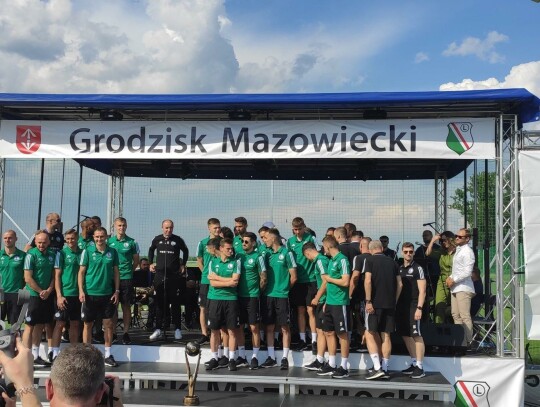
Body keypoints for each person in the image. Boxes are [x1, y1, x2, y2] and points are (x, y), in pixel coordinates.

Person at [78, 227, 120, 367]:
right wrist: (81, 291)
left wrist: (117, 291)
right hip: (90, 293)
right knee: (88, 324)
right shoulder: (87, 251)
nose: (99, 239)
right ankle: (87, 355)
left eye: (102, 236)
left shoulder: (112, 252)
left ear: (106, 237)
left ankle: (108, 355)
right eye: (97, 237)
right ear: (94, 237)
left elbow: (116, 273)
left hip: (107, 294)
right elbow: (81, 273)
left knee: (108, 325)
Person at [364, 240, 402, 380]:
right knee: (386, 335)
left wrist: (368, 301)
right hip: (390, 304)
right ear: (381, 248)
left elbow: (367, 280)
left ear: (371, 249)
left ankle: (377, 367)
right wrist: (395, 300)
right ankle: (385, 368)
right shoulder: (392, 262)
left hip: (374, 304)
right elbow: (400, 284)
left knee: (369, 333)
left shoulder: (369, 260)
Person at [260, 228, 297, 370]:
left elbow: (294, 276)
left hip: (282, 295)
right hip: (268, 295)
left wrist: (285, 289)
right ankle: (271, 357)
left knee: (284, 327)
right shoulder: (266, 254)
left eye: (266, 238)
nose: (264, 241)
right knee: (269, 326)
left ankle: (284, 358)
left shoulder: (287, 253)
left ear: (274, 238)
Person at [148, 219, 189, 341]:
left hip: (174, 276)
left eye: (170, 228)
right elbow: (151, 250)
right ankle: (158, 329)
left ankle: (177, 329)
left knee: (175, 303)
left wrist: (183, 264)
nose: (168, 230)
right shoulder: (157, 239)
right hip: (160, 276)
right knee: (160, 304)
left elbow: (185, 251)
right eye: (166, 228)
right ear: (162, 228)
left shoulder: (178, 240)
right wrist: (150, 263)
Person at [317, 236, 351, 379]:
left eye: (324, 247)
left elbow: (345, 281)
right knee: (328, 332)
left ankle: (344, 366)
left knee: (342, 334)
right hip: (330, 302)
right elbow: (328, 284)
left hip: (340, 303)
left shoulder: (342, 259)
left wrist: (329, 279)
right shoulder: (331, 260)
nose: (324, 250)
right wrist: (325, 302)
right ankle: (331, 364)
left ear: (328, 246)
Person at [205, 238, 241, 371]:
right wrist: (227, 282)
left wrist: (217, 278)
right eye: (228, 249)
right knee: (214, 331)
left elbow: (235, 280)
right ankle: (214, 358)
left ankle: (231, 359)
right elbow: (212, 283)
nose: (231, 251)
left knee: (232, 330)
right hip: (215, 299)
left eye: (231, 248)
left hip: (231, 299)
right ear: (221, 249)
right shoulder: (213, 262)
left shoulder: (236, 261)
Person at [22, 230, 56, 367]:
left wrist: (49, 290)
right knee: (29, 326)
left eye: (44, 242)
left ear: (48, 242)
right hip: (33, 296)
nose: (41, 245)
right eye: (39, 242)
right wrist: (41, 291)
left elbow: (55, 275)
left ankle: (35, 355)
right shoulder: (31, 255)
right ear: (35, 242)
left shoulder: (53, 255)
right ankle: (26, 356)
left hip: (46, 295)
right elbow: (27, 277)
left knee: (40, 325)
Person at [287, 217, 319, 352]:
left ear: (304, 227)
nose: (297, 232)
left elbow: (318, 255)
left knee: (310, 310)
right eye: (295, 229)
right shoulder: (290, 241)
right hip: (298, 280)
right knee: (300, 310)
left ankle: (314, 340)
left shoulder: (311, 238)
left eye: (299, 229)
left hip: (311, 279)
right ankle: (302, 339)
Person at [235, 232, 267, 370]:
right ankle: (241, 356)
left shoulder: (258, 257)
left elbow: (264, 277)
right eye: (242, 241)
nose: (243, 244)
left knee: (254, 327)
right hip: (238, 297)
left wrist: (257, 292)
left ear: (254, 243)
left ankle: (254, 356)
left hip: (252, 296)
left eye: (247, 242)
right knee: (240, 326)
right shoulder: (238, 256)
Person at [50, 229, 82, 361]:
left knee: (75, 324)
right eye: (67, 239)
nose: (70, 241)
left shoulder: (83, 253)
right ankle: (54, 352)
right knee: (60, 323)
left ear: (77, 238)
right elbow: (57, 276)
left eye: (72, 238)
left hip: (78, 294)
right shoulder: (61, 253)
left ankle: (73, 352)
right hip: (65, 294)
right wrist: (59, 295)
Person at [108, 217, 140, 345]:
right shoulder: (109, 241)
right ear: (115, 226)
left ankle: (126, 333)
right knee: (113, 307)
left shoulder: (132, 242)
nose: (122, 228)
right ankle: (114, 333)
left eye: (124, 225)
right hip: (111, 278)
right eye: (119, 225)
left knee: (126, 306)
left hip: (126, 278)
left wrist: (129, 272)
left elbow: (136, 260)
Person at [397, 242, 427, 379]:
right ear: (402, 253)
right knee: (405, 334)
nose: (408, 254)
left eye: (410, 251)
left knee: (416, 335)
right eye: (406, 252)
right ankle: (414, 362)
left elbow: (423, 291)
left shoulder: (418, 268)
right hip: (402, 307)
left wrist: (419, 308)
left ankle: (420, 367)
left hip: (414, 306)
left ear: (414, 252)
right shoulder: (400, 268)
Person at [301, 242, 328, 372]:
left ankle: (327, 361)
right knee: (320, 331)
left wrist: (317, 297)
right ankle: (320, 359)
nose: (308, 259)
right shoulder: (319, 260)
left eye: (306, 257)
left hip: (324, 300)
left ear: (308, 253)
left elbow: (325, 281)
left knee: (324, 331)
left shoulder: (320, 261)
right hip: (322, 300)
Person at [446, 228, 475, 346]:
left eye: (460, 236)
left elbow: (468, 272)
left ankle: (468, 342)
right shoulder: (459, 250)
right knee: (455, 315)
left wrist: (454, 279)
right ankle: (460, 342)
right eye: (456, 235)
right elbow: (457, 269)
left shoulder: (468, 252)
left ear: (467, 239)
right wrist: (450, 277)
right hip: (456, 287)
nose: (456, 238)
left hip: (463, 287)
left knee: (464, 316)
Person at [196, 218, 221, 345]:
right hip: (206, 280)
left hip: (220, 280)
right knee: (203, 308)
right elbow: (199, 260)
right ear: (209, 228)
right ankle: (204, 333)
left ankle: (220, 335)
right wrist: (206, 273)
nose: (217, 230)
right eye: (215, 228)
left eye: (218, 227)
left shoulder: (223, 243)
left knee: (217, 308)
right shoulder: (202, 243)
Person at [426, 231, 456, 324]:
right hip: (442, 281)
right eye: (441, 241)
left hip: (455, 281)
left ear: (451, 240)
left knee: (454, 307)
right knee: (439, 305)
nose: (443, 242)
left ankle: (455, 329)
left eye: (445, 240)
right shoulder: (441, 251)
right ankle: (439, 328)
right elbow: (428, 253)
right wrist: (433, 241)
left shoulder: (458, 252)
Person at [0, 230, 26, 325]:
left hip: (16, 294)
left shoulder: (23, 255)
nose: (7, 240)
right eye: (5, 238)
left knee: (15, 325)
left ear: (16, 239)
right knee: (0, 323)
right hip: (1, 293)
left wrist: (24, 289)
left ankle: (14, 340)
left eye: (10, 238)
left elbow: (26, 275)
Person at [415, 230, 441, 301]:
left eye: (426, 235)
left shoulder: (438, 248)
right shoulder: (419, 249)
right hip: (423, 275)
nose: (425, 237)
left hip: (435, 275)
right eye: (423, 236)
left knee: (436, 294)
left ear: (432, 236)